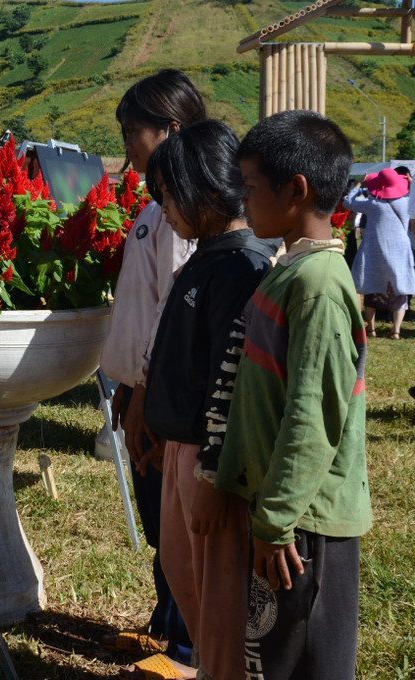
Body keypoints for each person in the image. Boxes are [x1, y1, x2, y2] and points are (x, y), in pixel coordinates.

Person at [218, 109, 372, 680]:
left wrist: (277, 521)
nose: (244, 200)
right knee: (273, 656)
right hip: (281, 512)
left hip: (305, 525)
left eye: (252, 187)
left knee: (304, 659)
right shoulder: (292, 270)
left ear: (296, 189)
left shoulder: (320, 288)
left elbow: (313, 418)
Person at [137, 119, 277, 680]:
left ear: (205, 186)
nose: (163, 207)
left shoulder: (241, 267)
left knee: (218, 600)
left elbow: (234, 383)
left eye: (169, 194)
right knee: (186, 577)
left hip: (209, 462)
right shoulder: (207, 255)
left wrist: (216, 473)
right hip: (181, 451)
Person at [98, 68, 204, 670]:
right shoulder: (153, 207)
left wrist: (142, 394)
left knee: (177, 525)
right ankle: (166, 623)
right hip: (138, 389)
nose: (126, 144)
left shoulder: (183, 213)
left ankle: (188, 647)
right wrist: (122, 385)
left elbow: (170, 318)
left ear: (170, 128)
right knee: (157, 516)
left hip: (160, 395)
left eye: (132, 130)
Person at [344, 167, 415, 340]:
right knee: (400, 290)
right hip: (399, 250)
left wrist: (359, 184)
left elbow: (348, 202)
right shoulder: (406, 203)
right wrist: (412, 184)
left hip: (374, 251)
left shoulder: (373, 204)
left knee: (371, 288)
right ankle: (396, 330)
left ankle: (372, 329)